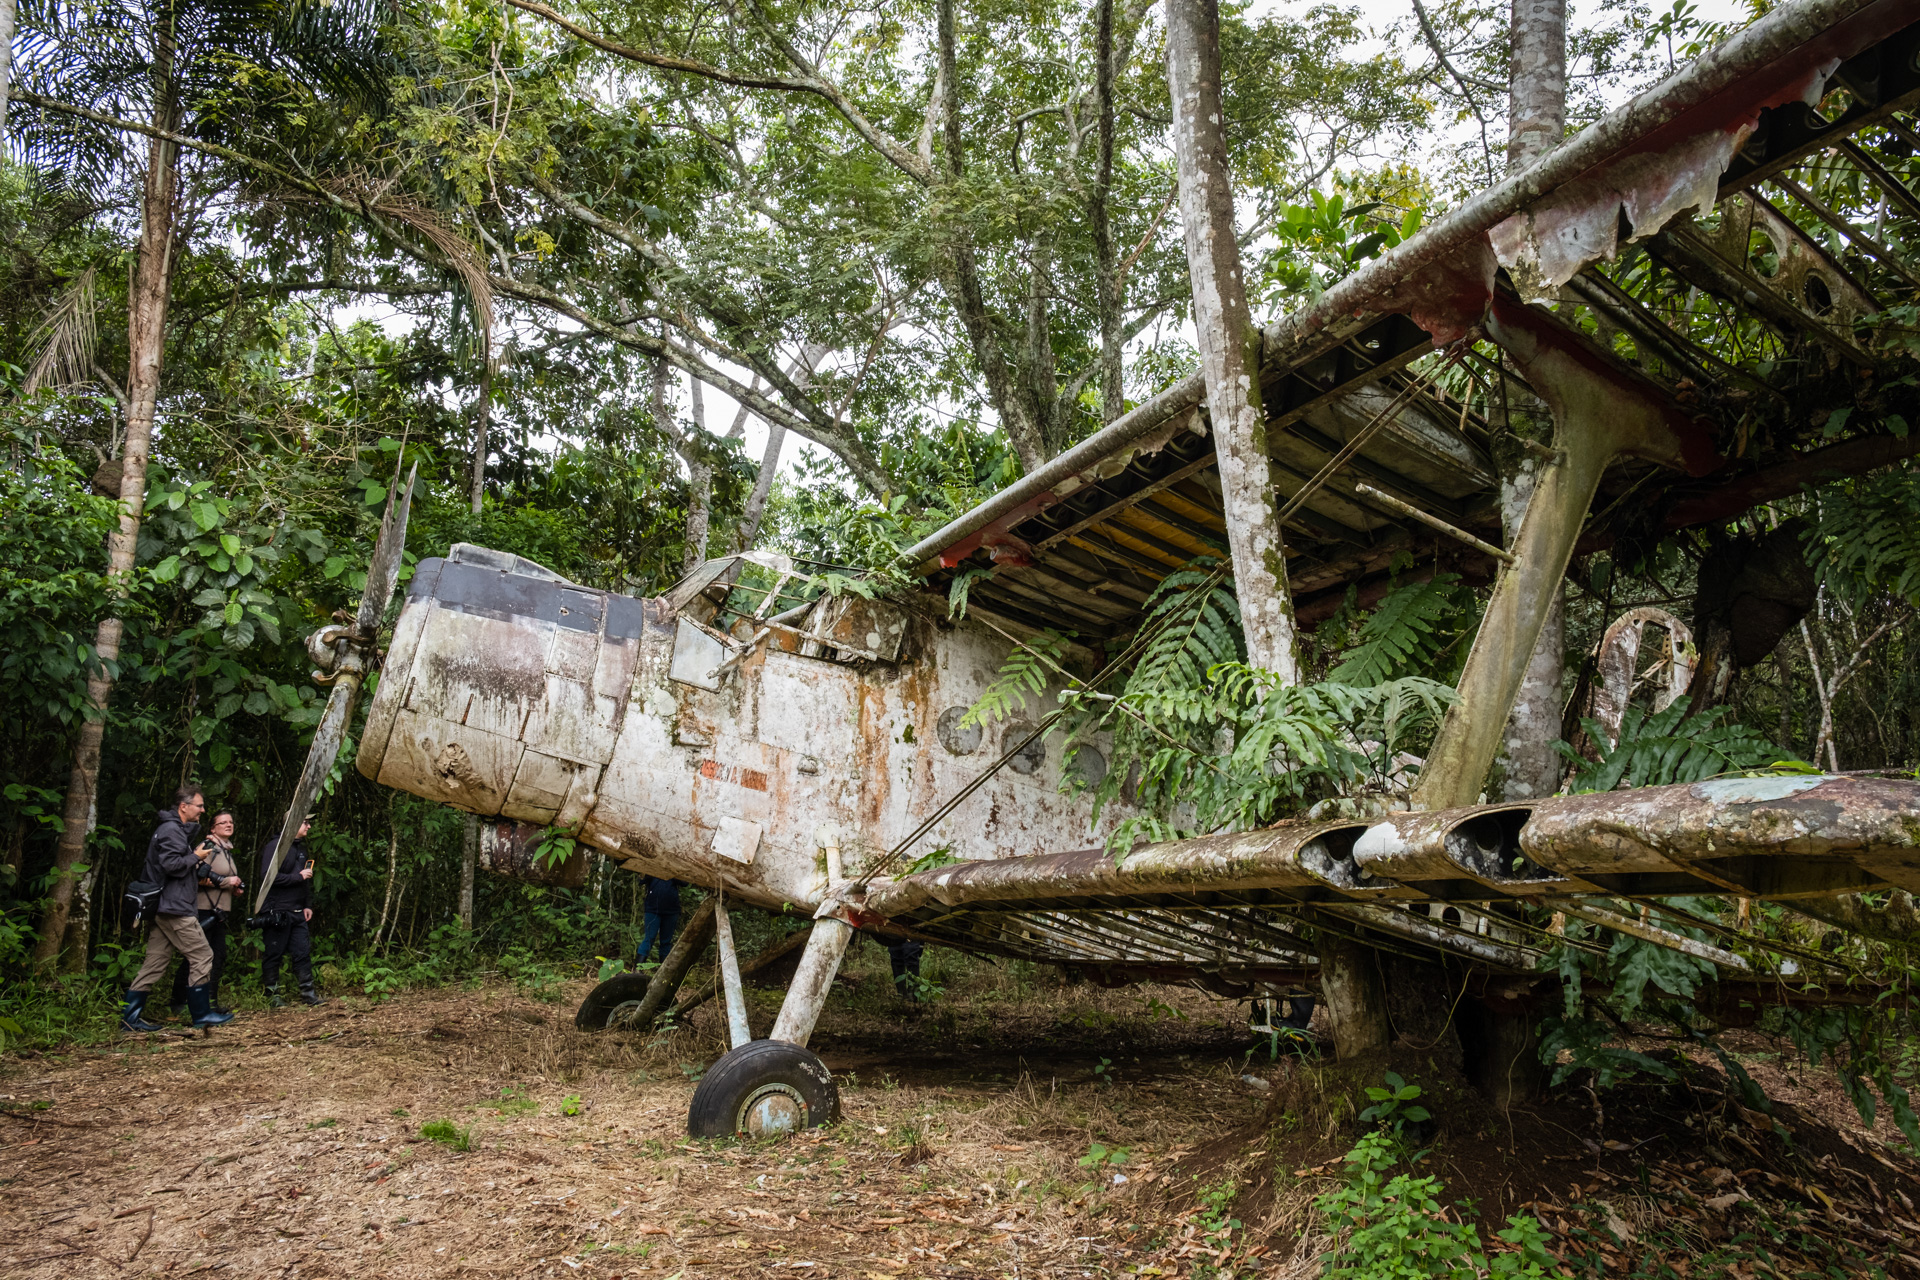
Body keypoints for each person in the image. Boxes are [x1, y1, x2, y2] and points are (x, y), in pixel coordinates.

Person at [118, 787, 234, 1032]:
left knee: (155, 962)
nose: (203, 810)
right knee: (203, 955)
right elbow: (172, 865)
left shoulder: (175, 830)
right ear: (184, 806)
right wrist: (197, 856)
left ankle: (130, 1019)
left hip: (165, 906)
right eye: (199, 805)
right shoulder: (171, 831)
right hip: (174, 908)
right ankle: (202, 1014)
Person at [167, 811, 242, 1018]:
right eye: (223, 822)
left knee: (217, 956)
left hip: (219, 912)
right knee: (195, 957)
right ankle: (179, 1001)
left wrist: (233, 887)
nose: (228, 825)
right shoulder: (207, 847)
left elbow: (220, 879)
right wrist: (228, 882)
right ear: (213, 828)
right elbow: (193, 876)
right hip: (202, 909)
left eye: (231, 821)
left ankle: (210, 1001)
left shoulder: (225, 850)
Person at [258, 815, 327, 1007]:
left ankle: (308, 993)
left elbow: (306, 880)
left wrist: (307, 904)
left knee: (302, 952)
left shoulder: (300, 849)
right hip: (277, 910)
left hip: (297, 911)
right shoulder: (275, 846)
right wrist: (297, 877)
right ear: (293, 823)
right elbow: (268, 877)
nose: (309, 826)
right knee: (274, 953)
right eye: (305, 822)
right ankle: (272, 996)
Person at [637, 876, 683, 965]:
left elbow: (685, 882)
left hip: (671, 910)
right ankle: (637, 970)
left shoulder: (675, 868)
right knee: (649, 938)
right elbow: (641, 879)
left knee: (666, 941)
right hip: (652, 909)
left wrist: (671, 873)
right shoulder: (653, 866)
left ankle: (662, 973)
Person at [886, 937, 925, 1002]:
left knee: (911, 955)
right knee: (896, 956)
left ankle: (913, 994)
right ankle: (901, 993)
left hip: (912, 931)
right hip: (895, 932)